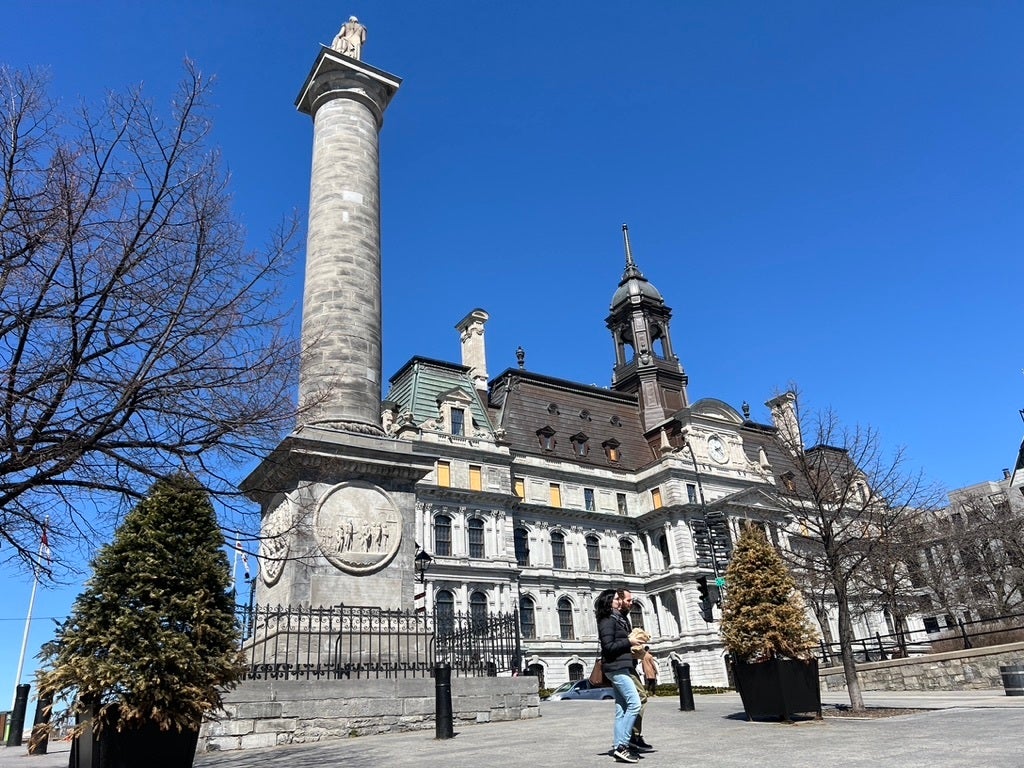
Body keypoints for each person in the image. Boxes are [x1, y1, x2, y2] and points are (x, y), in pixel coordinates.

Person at [595, 589, 644, 764]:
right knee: (635, 703)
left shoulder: (615, 619)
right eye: (616, 599)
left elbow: (616, 644)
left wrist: (631, 648)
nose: (619, 601)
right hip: (616, 667)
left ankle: (619, 746)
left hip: (620, 665)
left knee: (621, 709)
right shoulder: (607, 620)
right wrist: (628, 642)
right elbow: (608, 647)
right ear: (608, 602)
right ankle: (623, 746)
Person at [617, 590, 653, 752]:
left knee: (624, 705)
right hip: (621, 665)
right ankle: (632, 736)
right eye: (628, 600)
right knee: (640, 698)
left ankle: (629, 737)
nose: (631, 603)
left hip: (628, 663)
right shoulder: (615, 618)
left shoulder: (624, 618)